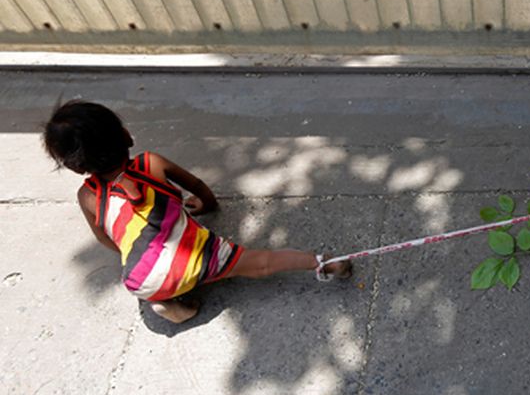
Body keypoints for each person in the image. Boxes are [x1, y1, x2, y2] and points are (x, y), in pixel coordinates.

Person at [42, 101, 352, 324]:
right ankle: (325, 263)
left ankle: (172, 307)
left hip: (142, 280)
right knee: (262, 263)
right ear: (125, 135)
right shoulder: (151, 164)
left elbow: (108, 240)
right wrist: (208, 205)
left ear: (75, 167)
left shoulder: (87, 196)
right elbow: (198, 186)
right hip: (198, 258)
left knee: (161, 287)